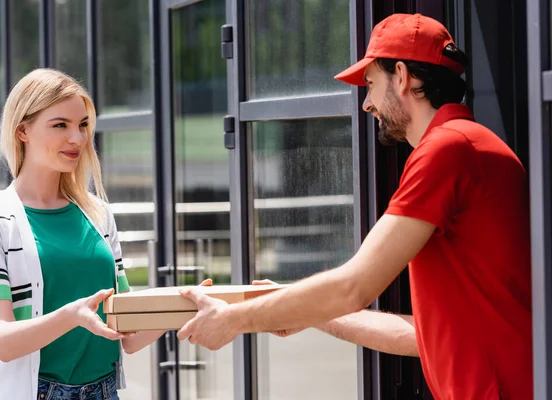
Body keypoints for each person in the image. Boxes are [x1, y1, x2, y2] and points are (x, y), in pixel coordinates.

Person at [175, 13, 533, 400]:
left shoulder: (448, 150)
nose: (365, 104)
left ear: (401, 76)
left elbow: (354, 287)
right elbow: (422, 336)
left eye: (370, 84)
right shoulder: (463, 144)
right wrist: (299, 310)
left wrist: (233, 319)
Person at [0, 68, 211, 400]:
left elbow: (128, 333)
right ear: (23, 130)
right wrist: (71, 316)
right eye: (60, 125)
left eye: (82, 125)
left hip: (105, 391)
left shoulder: (97, 213)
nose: (77, 139)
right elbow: (3, 341)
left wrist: (184, 304)